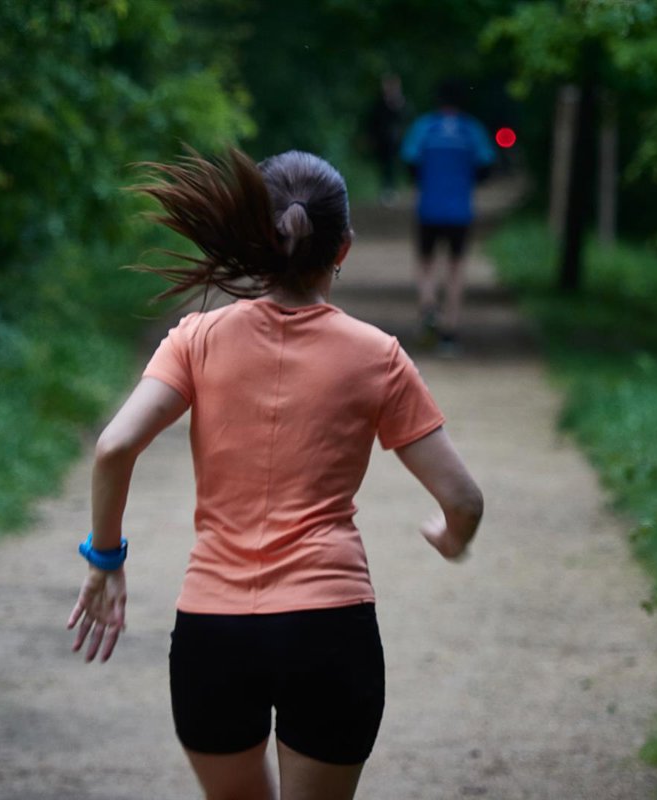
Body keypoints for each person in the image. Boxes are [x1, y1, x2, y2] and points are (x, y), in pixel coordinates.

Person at [66, 148, 483, 800]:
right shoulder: (378, 357)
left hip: (213, 631)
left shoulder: (196, 339)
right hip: (330, 626)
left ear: (256, 235)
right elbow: (462, 498)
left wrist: (106, 559)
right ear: (343, 248)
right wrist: (452, 537)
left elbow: (115, 447)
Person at [400, 79, 496, 353]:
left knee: (425, 263)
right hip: (460, 211)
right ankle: (450, 332)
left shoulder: (424, 127)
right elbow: (486, 164)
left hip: (428, 208)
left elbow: (409, 160)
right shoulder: (471, 130)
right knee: (456, 268)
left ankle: (428, 304)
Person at [365, 73, 406, 205]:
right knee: (384, 165)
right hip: (382, 140)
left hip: (396, 141)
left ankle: (392, 188)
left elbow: (405, 120)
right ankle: (386, 188)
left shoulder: (401, 103)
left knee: (392, 165)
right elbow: (373, 121)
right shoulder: (379, 103)